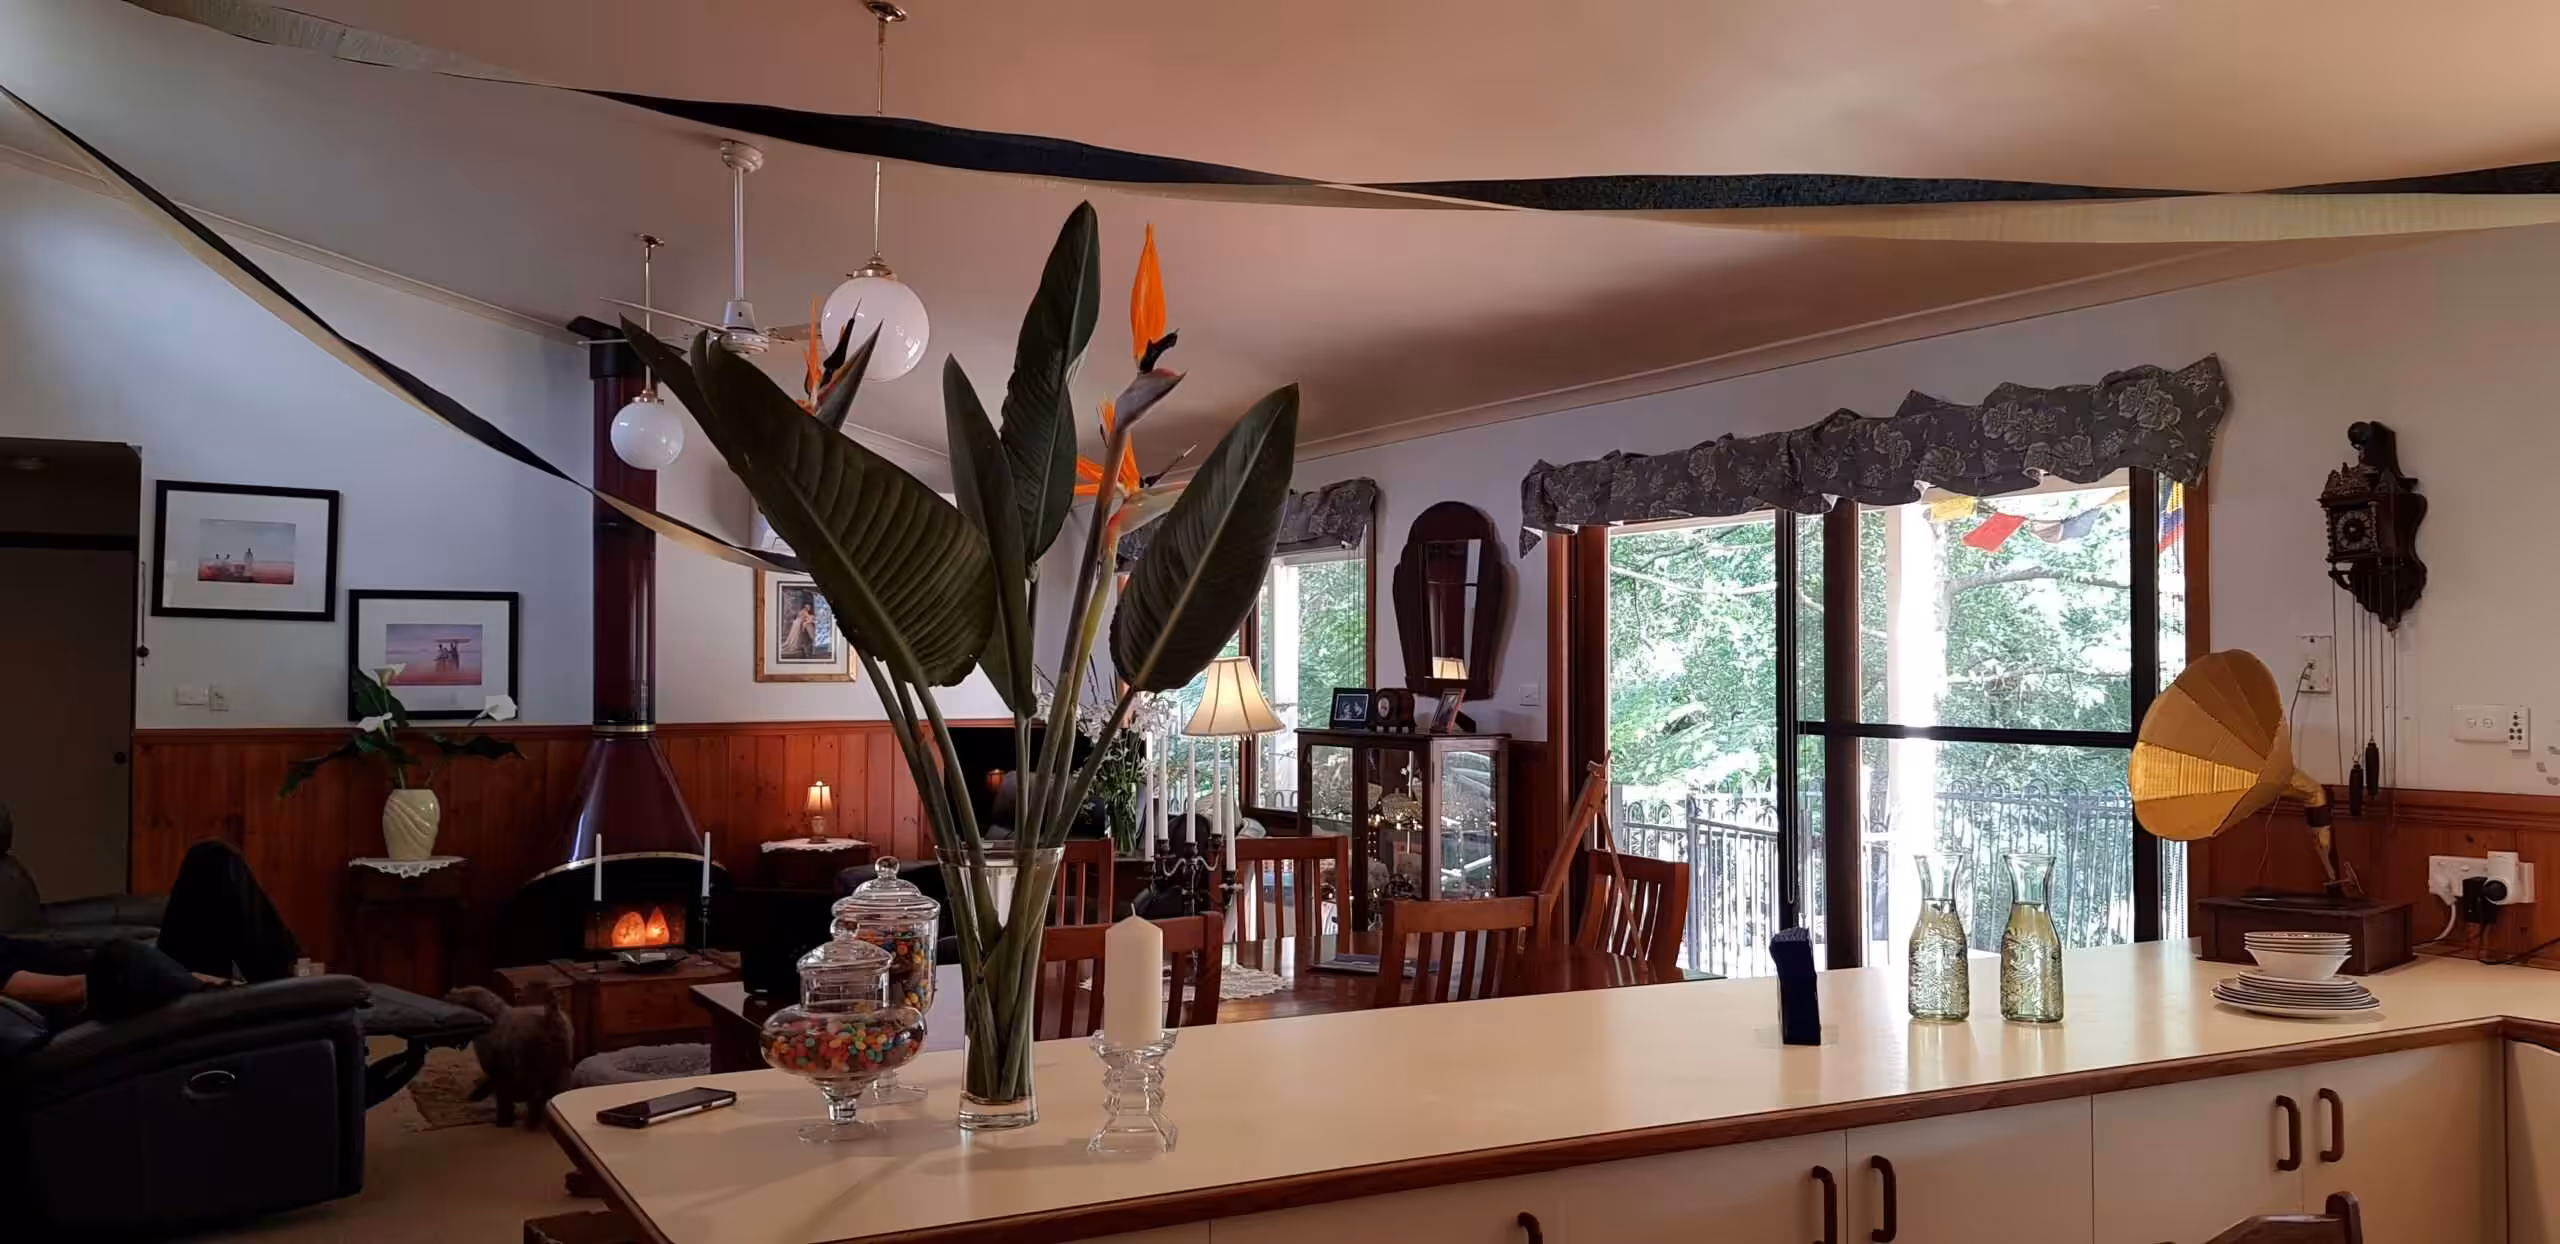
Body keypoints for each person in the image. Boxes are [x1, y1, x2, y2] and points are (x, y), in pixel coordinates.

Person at [0, 840, 302, 1017]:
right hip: (126, 1000)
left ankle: (287, 984)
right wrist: (182, 978)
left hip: (152, 977)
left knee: (211, 859)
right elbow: (70, 990)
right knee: (123, 959)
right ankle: (284, 1000)